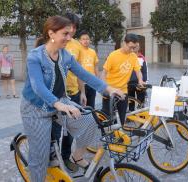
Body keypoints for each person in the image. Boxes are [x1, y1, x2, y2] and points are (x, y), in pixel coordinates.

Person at [21, 16, 123, 181]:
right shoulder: (35, 56)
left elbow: (84, 74)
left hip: (60, 102)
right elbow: (37, 86)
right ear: (51, 33)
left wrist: (108, 88)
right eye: (65, 34)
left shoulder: (65, 55)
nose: (69, 38)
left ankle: (77, 156)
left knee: (91, 121)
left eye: (70, 33)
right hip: (35, 109)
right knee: (39, 159)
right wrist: (58, 104)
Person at [51, 13, 84, 172]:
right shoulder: (54, 41)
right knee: (56, 130)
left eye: (75, 27)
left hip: (73, 93)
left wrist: (82, 92)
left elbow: (81, 72)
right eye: (69, 26)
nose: (71, 30)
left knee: (71, 129)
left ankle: (65, 157)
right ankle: (54, 158)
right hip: (57, 95)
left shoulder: (78, 46)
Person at [101, 33, 145, 125]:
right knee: (107, 118)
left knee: (121, 118)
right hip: (110, 90)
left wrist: (140, 80)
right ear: (124, 43)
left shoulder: (133, 56)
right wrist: (104, 88)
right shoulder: (113, 55)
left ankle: (119, 136)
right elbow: (104, 72)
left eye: (134, 48)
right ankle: (108, 135)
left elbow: (138, 71)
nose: (132, 50)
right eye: (130, 47)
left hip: (123, 91)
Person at [78, 30, 100, 108]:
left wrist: (98, 79)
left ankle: (91, 120)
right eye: (83, 39)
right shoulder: (78, 51)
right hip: (81, 83)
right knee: (82, 106)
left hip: (91, 82)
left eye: (87, 39)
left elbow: (96, 66)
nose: (85, 41)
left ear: (90, 40)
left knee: (91, 106)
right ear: (79, 41)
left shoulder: (92, 52)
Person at [127, 42, 148, 111]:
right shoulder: (128, 57)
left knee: (141, 101)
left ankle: (141, 116)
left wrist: (144, 81)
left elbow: (144, 71)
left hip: (139, 83)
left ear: (139, 48)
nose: (136, 47)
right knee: (130, 101)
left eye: (137, 46)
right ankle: (130, 115)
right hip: (129, 83)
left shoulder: (142, 58)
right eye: (135, 46)